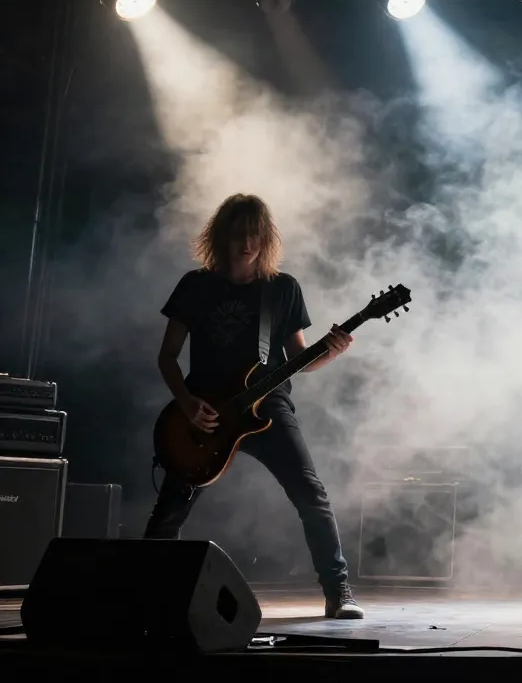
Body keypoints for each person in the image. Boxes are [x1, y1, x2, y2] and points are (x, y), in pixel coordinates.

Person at [145, 194, 364, 620]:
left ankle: (338, 591)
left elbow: (301, 360)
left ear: (267, 239)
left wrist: (332, 351)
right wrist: (187, 403)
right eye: (239, 235)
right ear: (221, 237)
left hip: (267, 408)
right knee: (172, 503)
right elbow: (167, 356)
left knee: (311, 494)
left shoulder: (282, 289)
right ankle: (144, 591)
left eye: (255, 236)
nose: (247, 244)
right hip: (204, 410)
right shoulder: (196, 285)